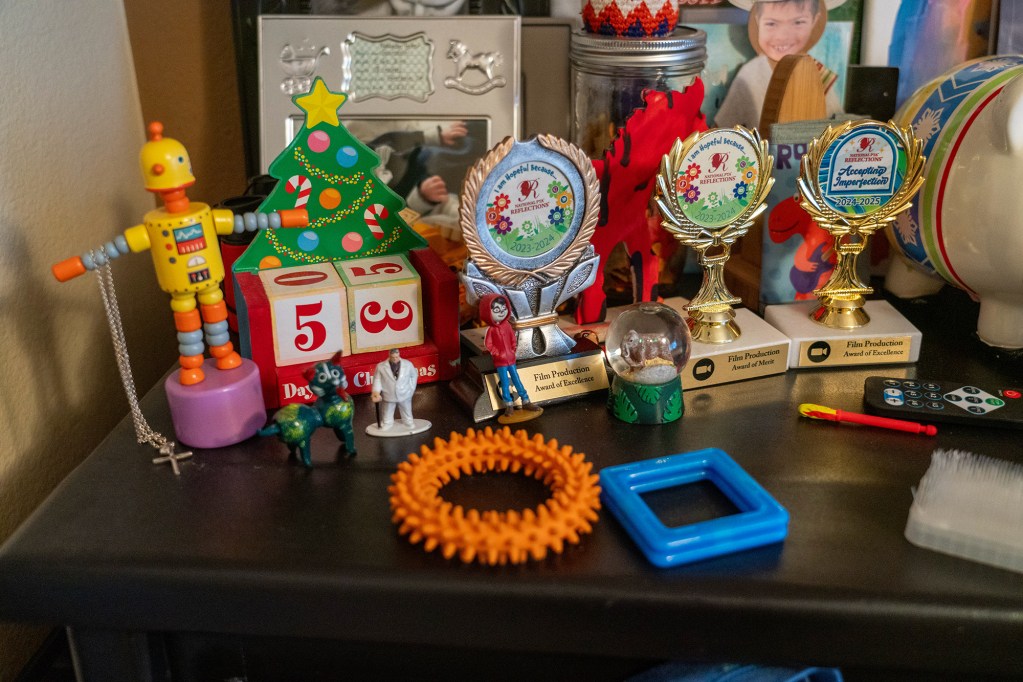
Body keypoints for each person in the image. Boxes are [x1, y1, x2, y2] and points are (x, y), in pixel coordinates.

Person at [714, 0, 846, 129]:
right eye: (771, 24)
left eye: (798, 22)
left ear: (815, 20)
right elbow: (722, 128)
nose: (782, 36)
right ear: (757, 21)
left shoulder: (816, 72)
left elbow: (837, 126)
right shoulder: (751, 73)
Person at [478, 293, 542, 419]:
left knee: (517, 379)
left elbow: (513, 338)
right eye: (496, 310)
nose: (501, 312)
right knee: (505, 383)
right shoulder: (491, 330)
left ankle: (526, 400)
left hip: (511, 359)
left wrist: (513, 349)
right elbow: (488, 344)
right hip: (500, 362)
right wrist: (497, 353)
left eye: (503, 309)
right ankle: (508, 404)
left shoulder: (507, 325)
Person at [370, 348, 418, 430]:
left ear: (399, 355)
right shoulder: (381, 366)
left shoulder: (408, 364)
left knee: (406, 409)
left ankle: (408, 422)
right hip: (388, 393)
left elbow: (414, 376)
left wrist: (411, 389)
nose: (395, 359)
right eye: (393, 357)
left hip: (405, 393)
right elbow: (377, 380)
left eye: (397, 357)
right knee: (387, 410)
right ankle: (387, 423)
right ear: (389, 356)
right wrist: (376, 392)